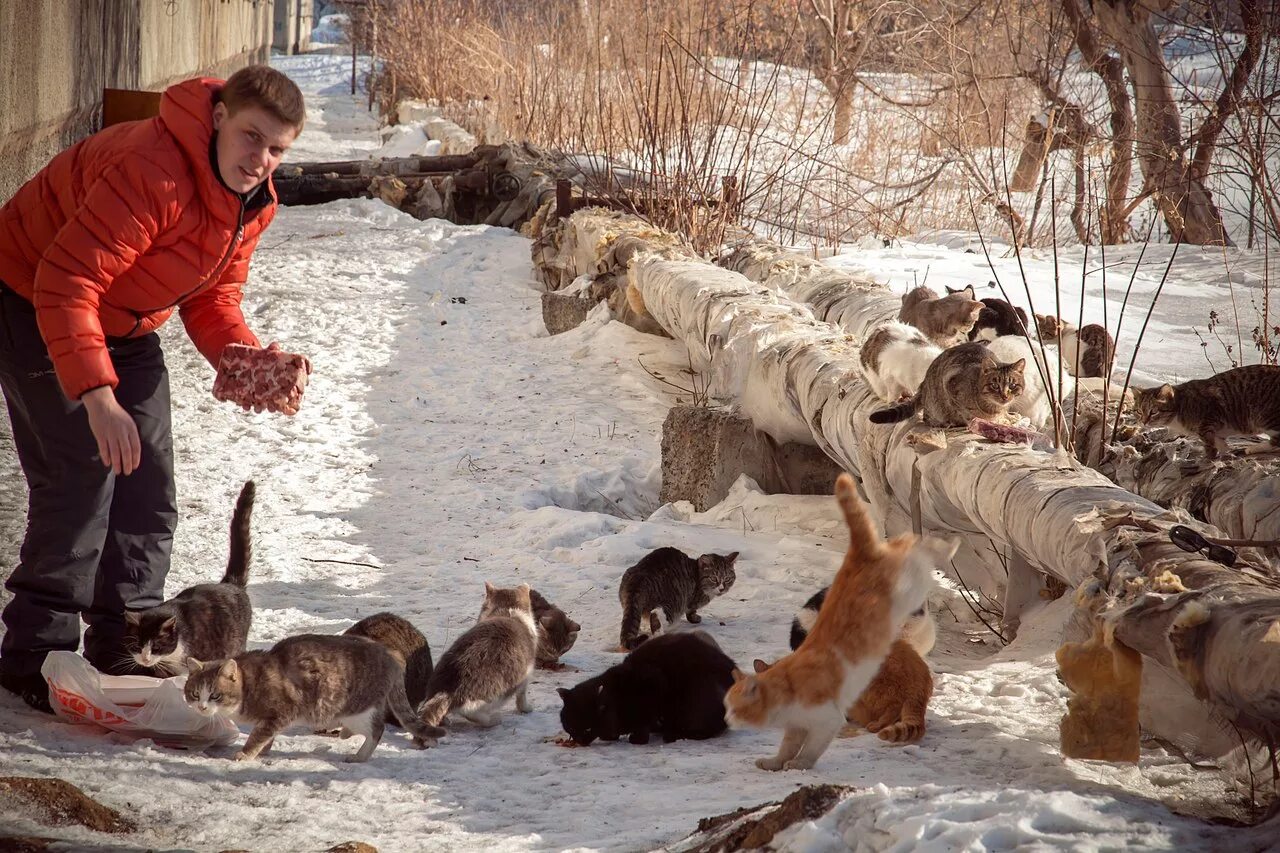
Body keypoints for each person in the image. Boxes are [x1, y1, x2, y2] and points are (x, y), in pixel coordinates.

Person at [0, 65, 308, 712]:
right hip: (31, 295)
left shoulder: (253, 200)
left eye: (279, 148)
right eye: (253, 137)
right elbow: (66, 281)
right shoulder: (154, 171)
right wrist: (98, 397)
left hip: (125, 320)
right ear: (220, 118)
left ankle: (126, 635)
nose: (262, 159)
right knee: (82, 468)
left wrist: (247, 358)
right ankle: (35, 651)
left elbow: (212, 296)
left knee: (149, 476)